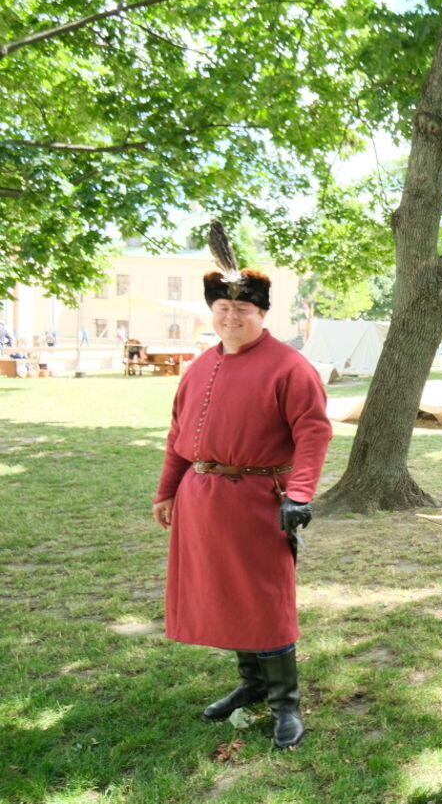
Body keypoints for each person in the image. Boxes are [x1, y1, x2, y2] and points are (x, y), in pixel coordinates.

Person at [153, 222, 331, 749]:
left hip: (258, 503)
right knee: (228, 597)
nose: (231, 317)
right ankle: (252, 685)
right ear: (212, 312)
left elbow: (313, 433)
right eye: (223, 309)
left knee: (264, 600)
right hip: (201, 502)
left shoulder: (290, 367)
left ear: (262, 314)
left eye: (243, 310)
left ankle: (285, 705)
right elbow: (178, 436)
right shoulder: (199, 366)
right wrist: (167, 490)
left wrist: (300, 493)